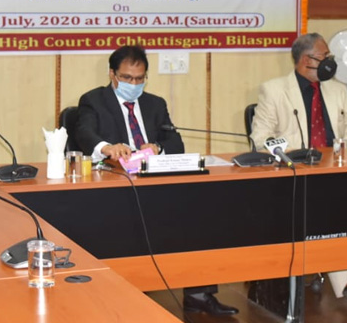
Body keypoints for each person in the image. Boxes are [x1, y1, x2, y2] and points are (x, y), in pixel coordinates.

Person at [74, 45, 238, 316]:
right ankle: (120, 294)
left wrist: (158, 147)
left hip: (156, 181)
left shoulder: (155, 104)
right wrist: (107, 148)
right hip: (116, 184)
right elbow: (84, 132)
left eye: (139, 78)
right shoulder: (93, 100)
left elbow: (175, 142)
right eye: (127, 78)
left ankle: (198, 294)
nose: (133, 84)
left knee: (200, 210)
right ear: (112, 74)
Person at [249, 33, 347, 314]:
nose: (330, 62)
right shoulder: (274, 90)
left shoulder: (337, 90)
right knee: (332, 210)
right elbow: (261, 139)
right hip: (298, 176)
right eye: (324, 56)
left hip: (338, 170)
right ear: (306, 60)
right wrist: (293, 155)